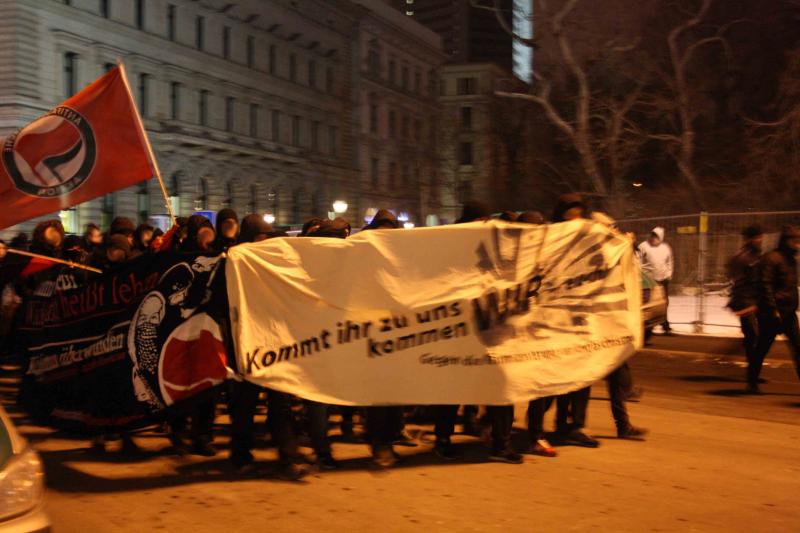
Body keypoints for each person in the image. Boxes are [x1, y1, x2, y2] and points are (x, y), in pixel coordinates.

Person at [227, 215, 308, 479]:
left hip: (274, 343)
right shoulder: (234, 262)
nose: (264, 243)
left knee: (281, 404)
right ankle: (240, 455)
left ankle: (289, 457)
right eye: (260, 238)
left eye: (267, 238)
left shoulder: (273, 264)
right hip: (247, 343)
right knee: (244, 407)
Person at [751, 226, 800, 393]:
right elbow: (765, 285)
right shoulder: (772, 258)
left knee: (798, 348)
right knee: (762, 348)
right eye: (795, 241)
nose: (798, 245)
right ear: (786, 241)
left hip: (788, 313)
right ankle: (752, 381)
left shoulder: (791, 260)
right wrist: (773, 309)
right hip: (772, 314)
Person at [726, 225, 764, 393]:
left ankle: (753, 373)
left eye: (761, 237)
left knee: (755, 339)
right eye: (757, 237)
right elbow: (737, 283)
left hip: (757, 303)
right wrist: (742, 305)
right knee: (752, 338)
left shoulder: (757, 256)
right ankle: (752, 377)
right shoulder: (741, 258)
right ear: (749, 239)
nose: (760, 240)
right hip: (746, 304)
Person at [638, 227, 674, 335]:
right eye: (653, 235)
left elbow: (670, 261)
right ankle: (649, 325)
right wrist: (641, 274)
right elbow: (637, 259)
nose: (654, 238)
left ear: (661, 237)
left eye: (656, 236)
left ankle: (664, 324)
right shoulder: (644, 246)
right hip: (649, 280)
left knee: (664, 303)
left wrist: (669, 274)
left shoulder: (666, 248)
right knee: (649, 304)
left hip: (663, 279)